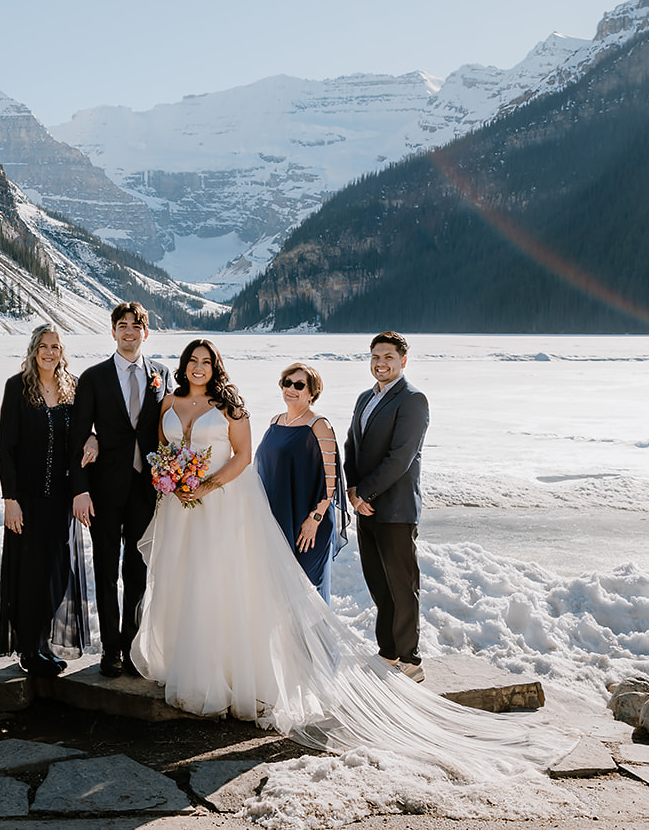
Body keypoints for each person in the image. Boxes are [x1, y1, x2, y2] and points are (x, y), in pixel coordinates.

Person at [129, 339, 568, 806]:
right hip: (200, 507)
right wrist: (173, 478)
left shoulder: (262, 410)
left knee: (270, 587)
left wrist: (324, 504)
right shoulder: (187, 405)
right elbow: (179, 450)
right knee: (190, 585)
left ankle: (397, 658)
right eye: (192, 361)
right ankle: (192, 658)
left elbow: (286, 460)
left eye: (206, 361)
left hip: (261, 506)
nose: (198, 367)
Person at [70, 302, 170, 677]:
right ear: (113, 332)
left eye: (136, 326)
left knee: (138, 571)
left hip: (147, 490)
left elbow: (166, 427)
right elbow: (77, 437)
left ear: (146, 332)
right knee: (106, 569)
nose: (129, 332)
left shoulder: (161, 374)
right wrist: (80, 490)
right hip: (103, 490)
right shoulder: (93, 377)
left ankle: (132, 647)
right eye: (122, 326)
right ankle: (110, 648)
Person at [0, 325, 91, 677]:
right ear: (34, 350)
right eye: (44, 346)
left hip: (61, 499)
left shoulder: (72, 386)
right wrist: (10, 498)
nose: (50, 352)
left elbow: (82, 432)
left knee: (59, 573)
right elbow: (4, 447)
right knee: (31, 574)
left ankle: (44, 642)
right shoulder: (17, 386)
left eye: (56, 347)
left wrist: (93, 438)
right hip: (28, 498)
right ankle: (29, 649)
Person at [344, 331, 429, 681]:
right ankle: (388, 652)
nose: (381, 363)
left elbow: (400, 458)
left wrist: (366, 493)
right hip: (365, 505)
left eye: (389, 358)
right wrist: (351, 489)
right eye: (376, 357)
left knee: (402, 584)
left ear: (403, 361)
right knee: (378, 583)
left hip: (394, 508)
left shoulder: (412, 400)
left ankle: (411, 660)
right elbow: (352, 445)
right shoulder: (366, 398)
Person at [255, 361, 342, 600]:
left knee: (307, 593)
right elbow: (262, 467)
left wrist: (314, 519)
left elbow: (331, 480)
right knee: (279, 593)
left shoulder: (319, 425)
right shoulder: (275, 421)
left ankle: (316, 639)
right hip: (278, 518)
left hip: (308, 522)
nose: (291, 388)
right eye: (287, 382)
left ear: (312, 392)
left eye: (299, 385)